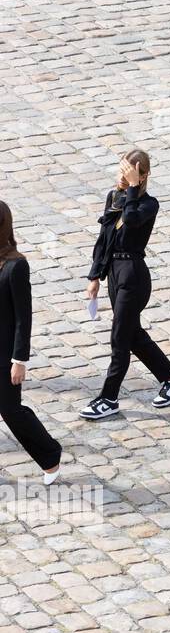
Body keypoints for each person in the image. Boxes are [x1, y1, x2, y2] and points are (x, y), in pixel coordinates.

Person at [80, 149, 170, 421]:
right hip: (115, 276)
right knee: (133, 335)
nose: (122, 177)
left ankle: (108, 398)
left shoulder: (148, 204)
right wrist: (95, 276)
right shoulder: (114, 197)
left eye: (128, 173)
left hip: (133, 276)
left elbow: (130, 220)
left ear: (143, 176)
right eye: (120, 171)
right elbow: (103, 239)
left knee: (120, 338)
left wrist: (131, 189)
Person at [0, 202, 62, 483]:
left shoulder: (16, 266)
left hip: (5, 354)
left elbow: (24, 318)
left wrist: (19, 360)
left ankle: (50, 455)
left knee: (12, 410)